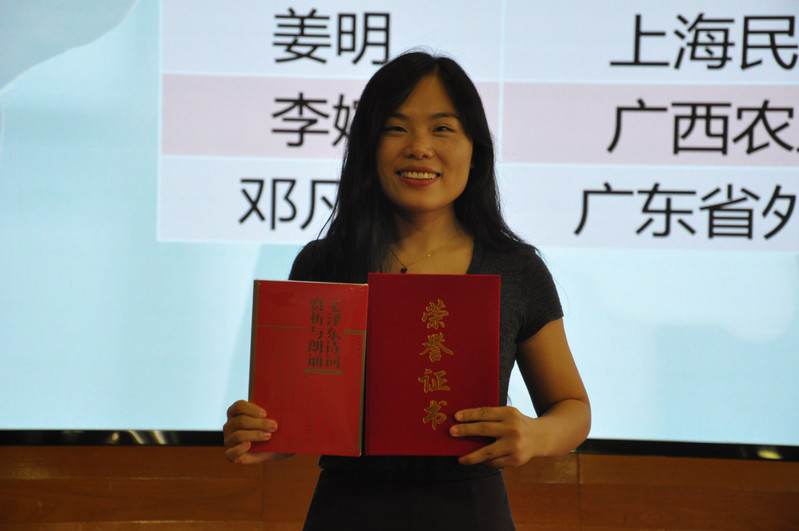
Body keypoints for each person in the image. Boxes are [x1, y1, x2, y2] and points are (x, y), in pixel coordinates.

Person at [223, 50, 590, 530]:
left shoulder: (515, 268)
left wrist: (535, 435)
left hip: (471, 512)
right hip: (346, 512)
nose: (419, 147)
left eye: (442, 128)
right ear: (368, 147)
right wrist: (262, 434)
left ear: (475, 150)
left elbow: (573, 409)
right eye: (396, 128)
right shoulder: (324, 264)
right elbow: (300, 415)